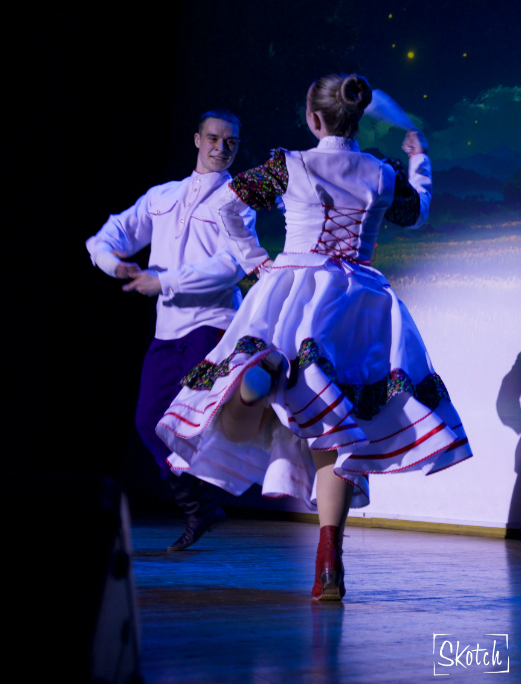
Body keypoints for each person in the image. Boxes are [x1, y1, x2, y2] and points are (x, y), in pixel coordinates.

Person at [156, 74, 473, 598]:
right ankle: (329, 565)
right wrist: (419, 159)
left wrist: (255, 261)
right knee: (337, 436)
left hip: (293, 290)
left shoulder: (290, 165)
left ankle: (257, 382)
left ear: (314, 118)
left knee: (237, 414)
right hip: (358, 305)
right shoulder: (381, 171)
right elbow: (415, 212)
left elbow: (225, 206)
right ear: (355, 118)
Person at [86, 109, 258, 550]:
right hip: (168, 332)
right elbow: (111, 234)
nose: (222, 148)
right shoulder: (163, 196)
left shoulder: (237, 201)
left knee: (190, 421)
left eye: (231, 142)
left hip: (212, 326)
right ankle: (198, 506)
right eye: (214, 138)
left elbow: (231, 266)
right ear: (197, 140)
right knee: (149, 421)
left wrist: (165, 282)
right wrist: (113, 263)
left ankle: (218, 489)